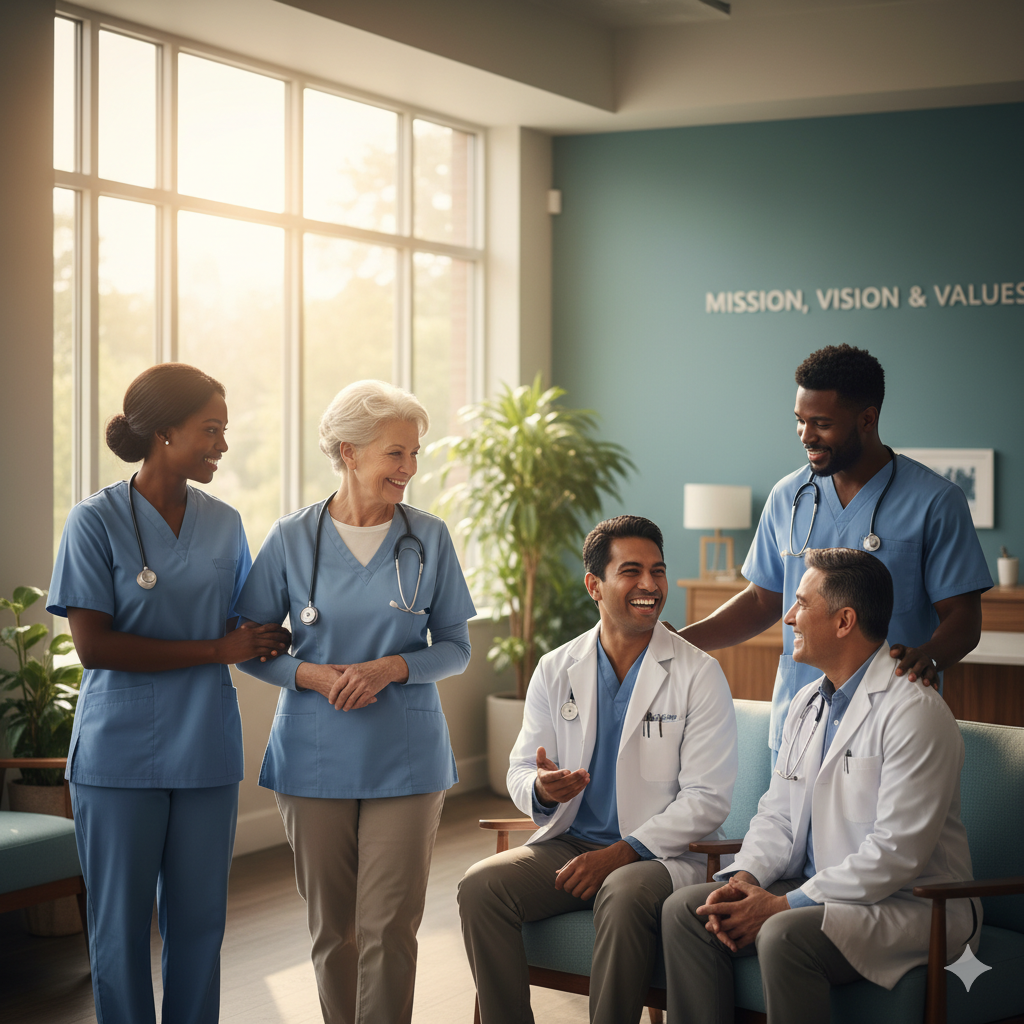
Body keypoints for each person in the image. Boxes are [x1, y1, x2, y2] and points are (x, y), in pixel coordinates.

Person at [47, 363, 291, 1024]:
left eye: (224, 430)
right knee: (120, 928)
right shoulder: (94, 521)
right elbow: (94, 647)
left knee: (200, 924)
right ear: (164, 433)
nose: (222, 445)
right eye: (210, 430)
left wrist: (302, 630)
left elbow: (245, 627)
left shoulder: (225, 523)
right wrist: (216, 650)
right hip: (118, 756)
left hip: (205, 747)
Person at [234, 379, 475, 1024]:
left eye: (415, 453)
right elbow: (251, 648)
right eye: (396, 453)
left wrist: (392, 667)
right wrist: (310, 676)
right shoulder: (291, 538)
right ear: (349, 451)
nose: (410, 468)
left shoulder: (429, 538)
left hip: (407, 755)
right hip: (314, 754)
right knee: (333, 930)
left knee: (390, 926)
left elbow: (456, 648)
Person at [662, 547, 980, 1024]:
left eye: (802, 604)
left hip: (911, 903)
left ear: (844, 621)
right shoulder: (808, 701)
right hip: (819, 888)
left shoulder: (915, 712)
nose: (789, 616)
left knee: (782, 933)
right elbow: (778, 815)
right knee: (687, 912)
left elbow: (896, 854)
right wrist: (746, 878)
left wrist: (782, 904)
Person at [459, 515, 737, 1024]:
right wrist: (542, 789)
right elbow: (520, 768)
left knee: (623, 891)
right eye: (631, 571)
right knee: (481, 887)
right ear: (594, 585)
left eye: (658, 571)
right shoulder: (556, 667)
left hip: (660, 855)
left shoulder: (699, 673)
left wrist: (621, 853)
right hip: (571, 844)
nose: (650, 585)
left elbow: (708, 799)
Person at [677, 344, 992, 761]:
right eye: (800, 420)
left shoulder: (935, 501)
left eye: (822, 424)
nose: (806, 435)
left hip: (890, 721)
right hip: (799, 720)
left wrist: (929, 658)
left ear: (867, 419)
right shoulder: (788, 496)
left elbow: (964, 618)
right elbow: (760, 601)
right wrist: (680, 641)